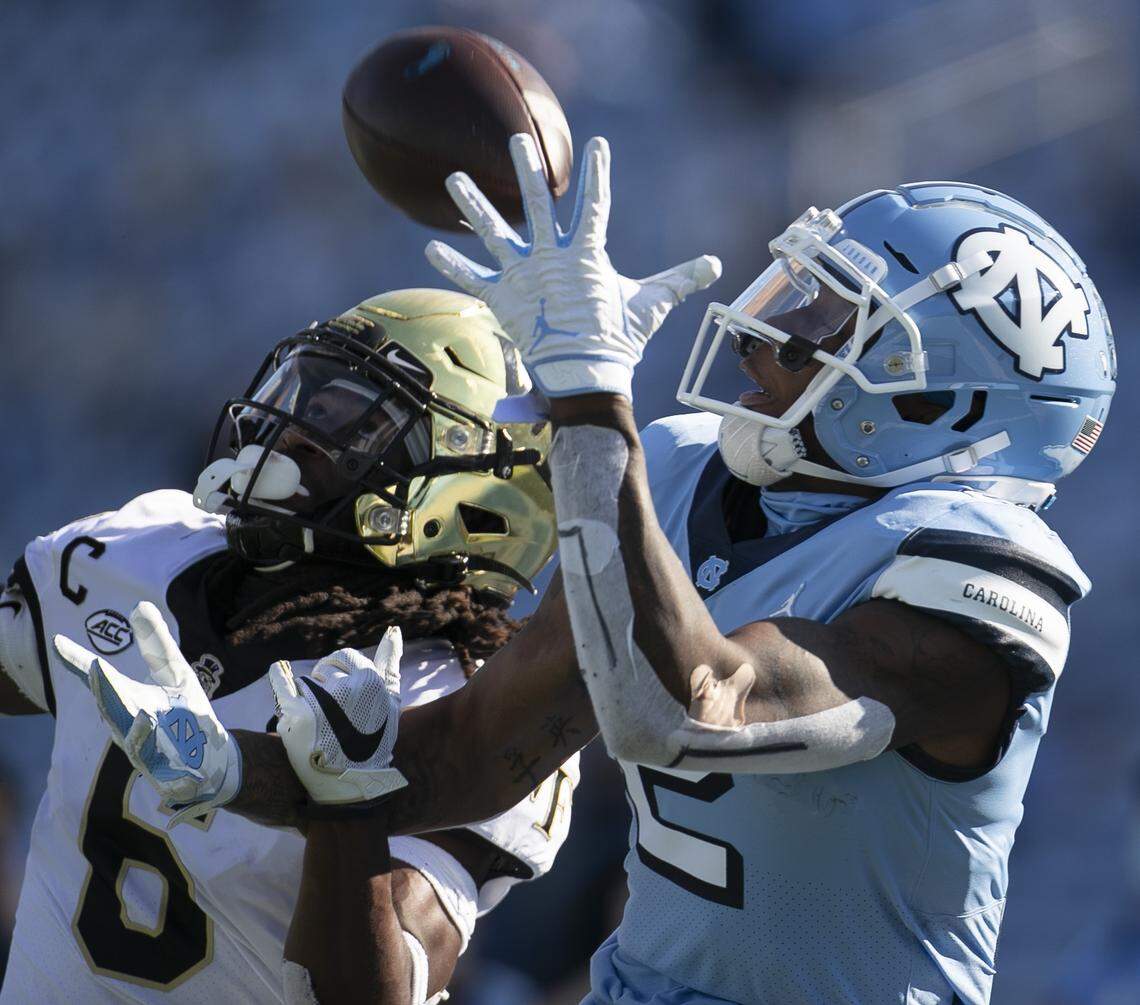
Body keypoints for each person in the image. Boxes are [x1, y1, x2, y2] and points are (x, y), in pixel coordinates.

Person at [75, 135, 1115, 1005]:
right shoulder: (677, 469)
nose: (767, 339)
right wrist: (235, 769)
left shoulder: (987, 582)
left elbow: (696, 708)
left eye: (827, 324)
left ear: (938, 402)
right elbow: (484, 749)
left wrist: (588, 405)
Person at [0, 287, 578, 1003]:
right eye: (308, 393)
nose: (296, 426)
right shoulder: (142, 546)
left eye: (351, 416)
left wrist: (346, 805)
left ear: (461, 492)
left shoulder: (462, 704)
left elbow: (376, 992)